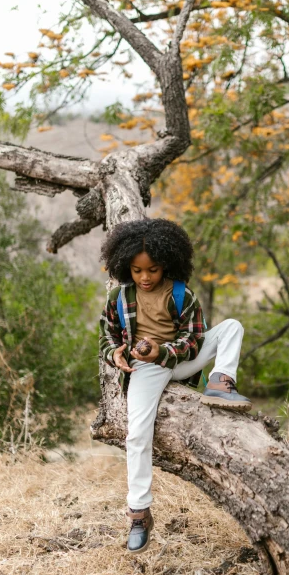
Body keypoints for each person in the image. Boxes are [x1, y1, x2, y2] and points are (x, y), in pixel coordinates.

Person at [99, 218, 251, 554]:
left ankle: (221, 383)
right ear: (125, 267)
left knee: (231, 328)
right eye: (137, 270)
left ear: (167, 263)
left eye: (152, 269)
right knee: (137, 433)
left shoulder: (181, 294)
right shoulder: (120, 298)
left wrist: (164, 351)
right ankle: (139, 513)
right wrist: (116, 354)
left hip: (179, 360)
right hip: (145, 369)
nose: (145, 277)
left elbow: (195, 338)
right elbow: (106, 336)